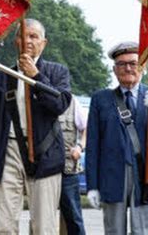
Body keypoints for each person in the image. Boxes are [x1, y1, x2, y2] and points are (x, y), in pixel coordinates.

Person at [0, 18, 72, 234]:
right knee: (4, 224)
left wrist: (36, 76)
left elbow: (59, 104)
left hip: (46, 154)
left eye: (34, 36)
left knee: (43, 226)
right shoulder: (0, 78)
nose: (28, 41)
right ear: (16, 42)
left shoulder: (58, 73)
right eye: (23, 36)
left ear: (44, 43)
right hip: (8, 153)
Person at [85, 41, 148, 235]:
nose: (128, 68)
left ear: (142, 66)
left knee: (143, 231)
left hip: (145, 175)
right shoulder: (101, 99)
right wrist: (92, 185)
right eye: (122, 64)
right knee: (113, 231)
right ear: (114, 69)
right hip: (111, 175)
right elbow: (93, 145)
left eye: (133, 63)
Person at [59, 95, 87, 235]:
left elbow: (86, 128)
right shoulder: (34, 96)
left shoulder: (72, 101)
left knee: (74, 218)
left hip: (68, 169)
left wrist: (79, 147)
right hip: (42, 170)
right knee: (43, 219)